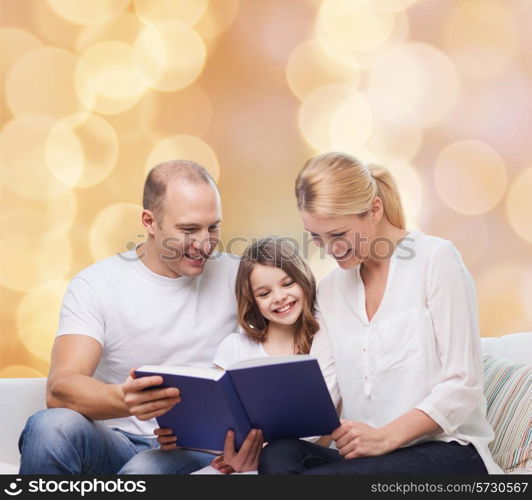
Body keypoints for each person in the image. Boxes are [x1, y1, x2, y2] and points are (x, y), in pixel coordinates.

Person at [258, 152, 502, 474]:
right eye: (316, 237)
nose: (330, 250)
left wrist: (385, 437)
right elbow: (322, 393)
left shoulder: (435, 260)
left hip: (448, 451)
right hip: (370, 460)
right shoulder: (331, 290)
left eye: (338, 235)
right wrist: (254, 444)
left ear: (375, 209)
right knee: (278, 455)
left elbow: (463, 386)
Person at [18, 160, 257, 475]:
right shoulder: (97, 283)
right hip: (117, 441)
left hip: (198, 450)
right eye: (188, 230)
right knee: (50, 427)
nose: (204, 244)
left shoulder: (240, 276)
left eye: (213, 227)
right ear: (150, 221)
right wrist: (122, 398)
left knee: (144, 471)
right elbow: (61, 387)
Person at [123, 237, 340, 474]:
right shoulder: (236, 347)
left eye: (288, 284)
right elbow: (218, 422)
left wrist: (260, 456)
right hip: (235, 461)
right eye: (264, 293)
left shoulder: (325, 340)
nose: (279, 297)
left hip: (298, 460)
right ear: (253, 301)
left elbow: (323, 432)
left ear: (304, 280)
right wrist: (182, 438)